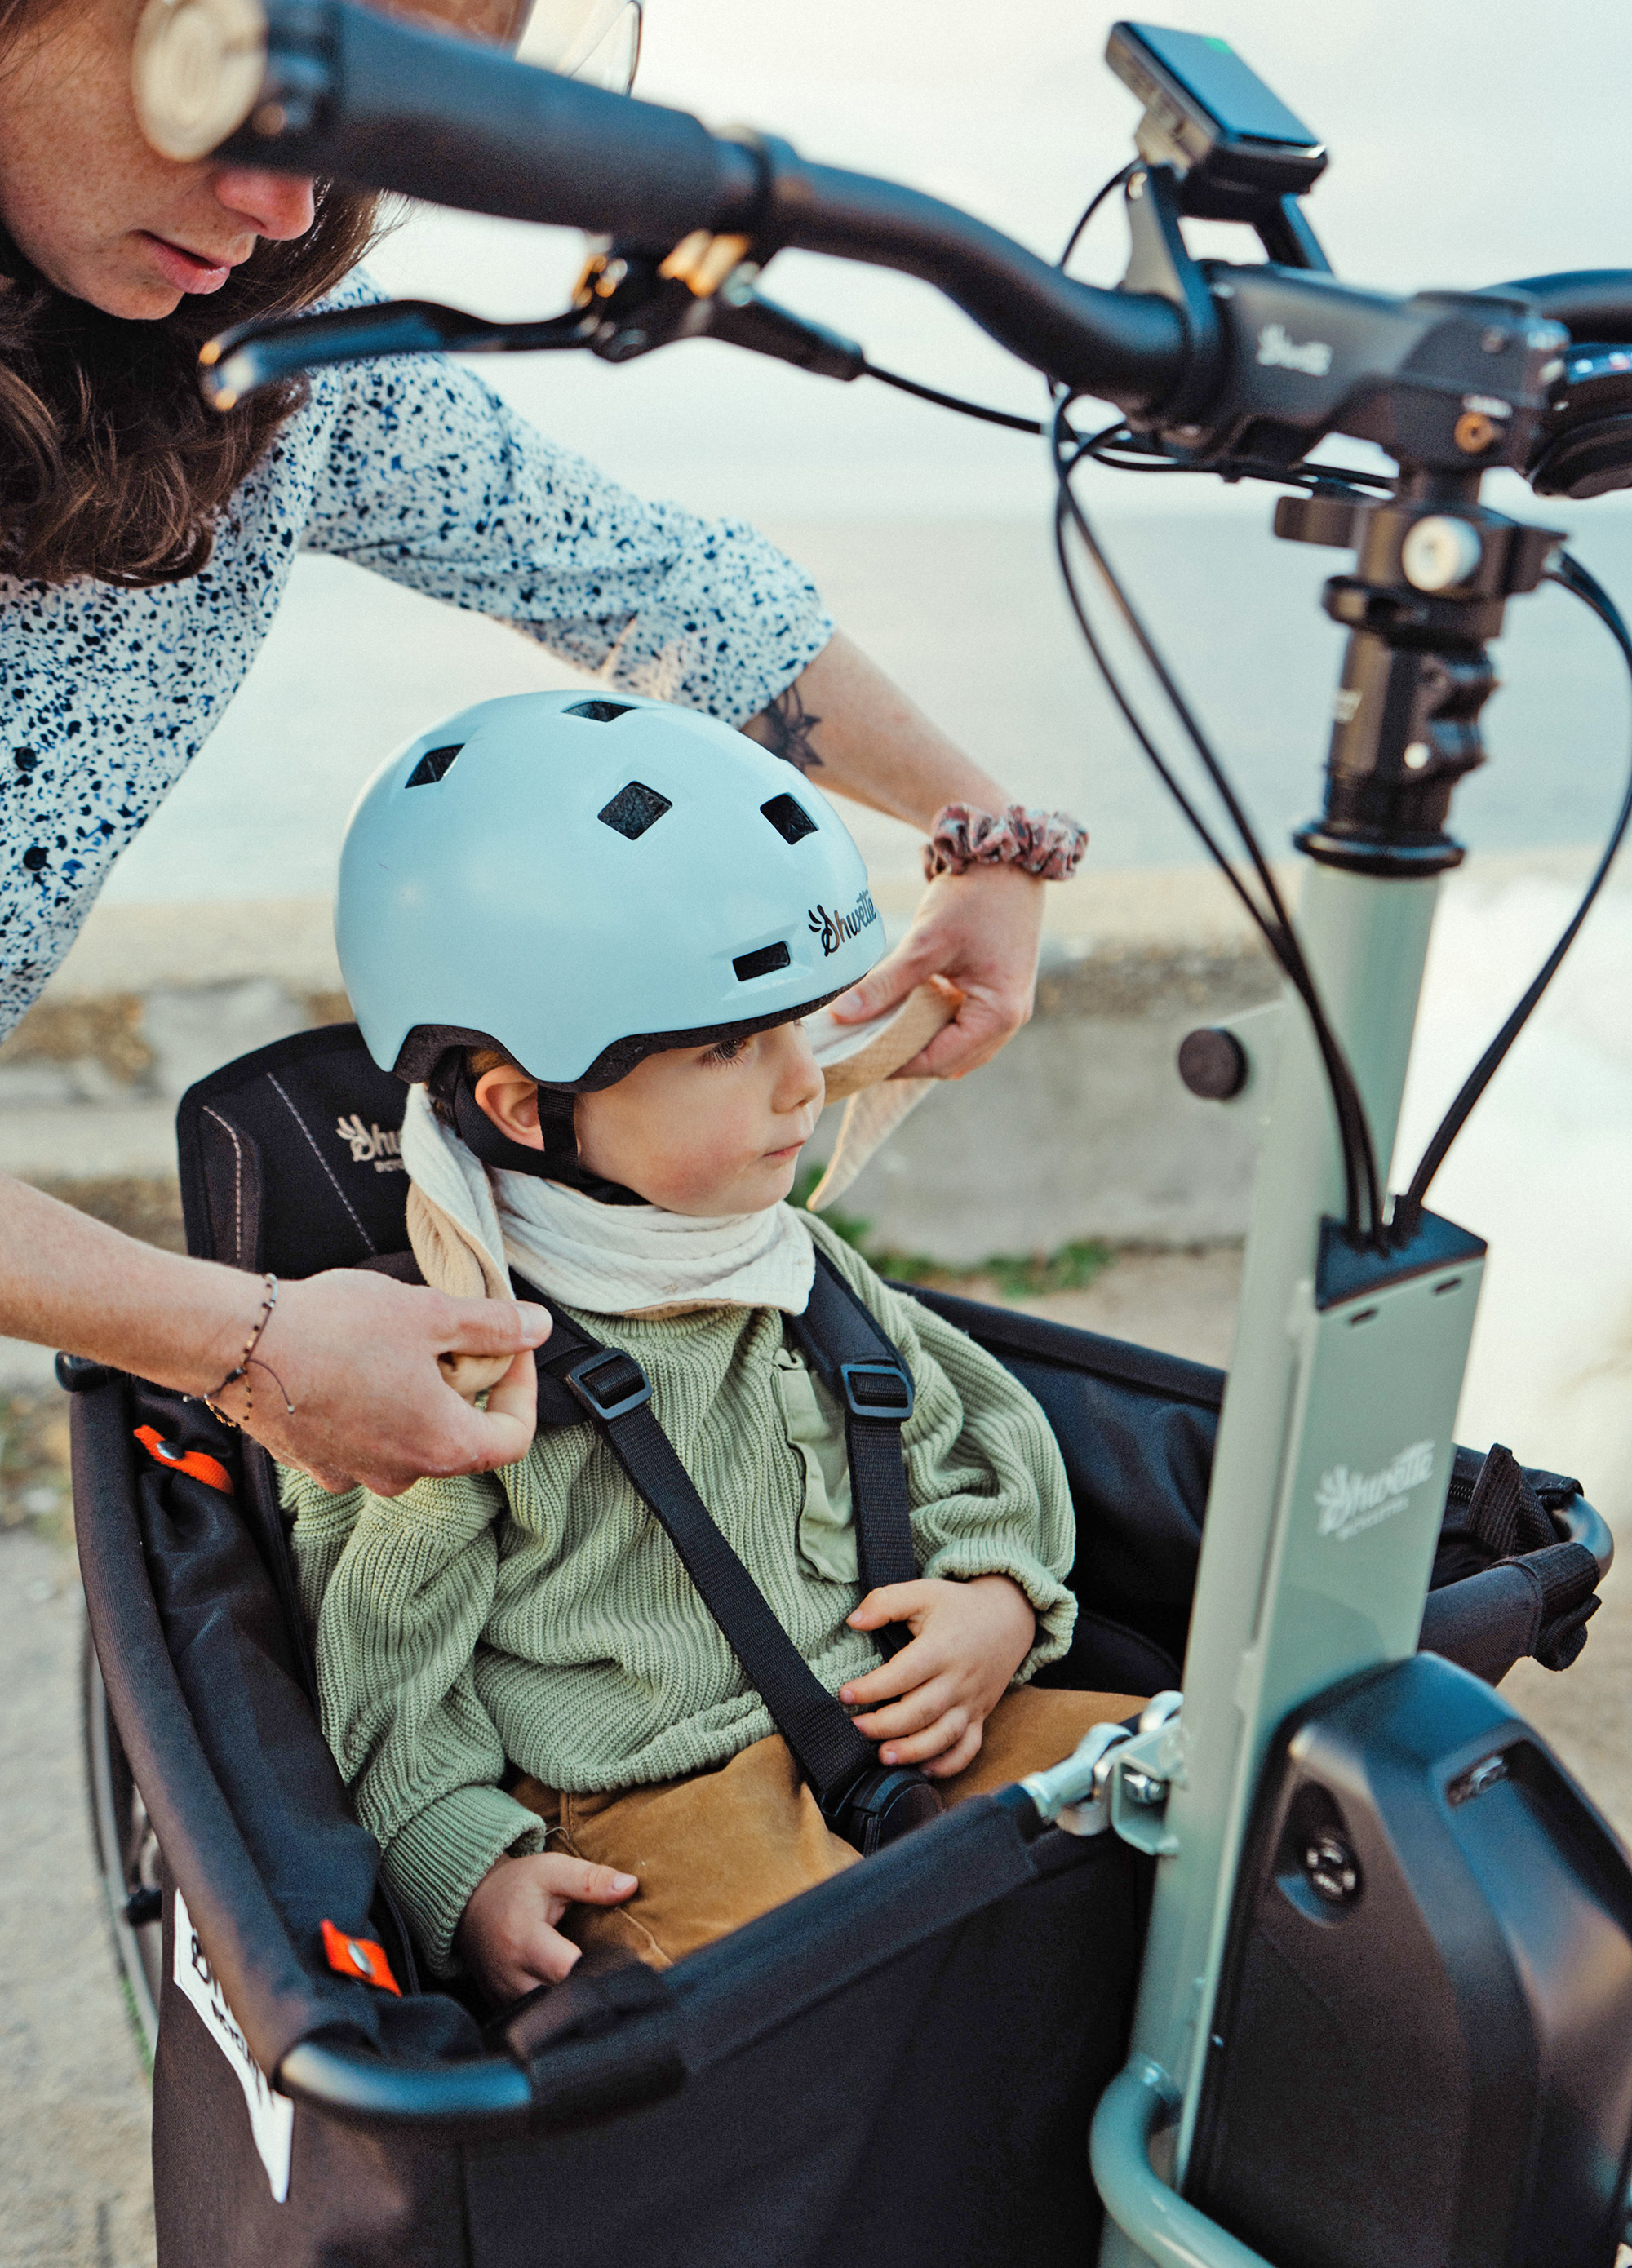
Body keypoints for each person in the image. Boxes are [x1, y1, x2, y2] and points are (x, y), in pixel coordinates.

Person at [0, 0, 1084, 1497]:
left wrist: (988, 835)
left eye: (358, 124)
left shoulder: (276, 371)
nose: (284, 202)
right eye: (230, 80)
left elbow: (646, 585)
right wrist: (245, 1343)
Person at [277, 692, 1129, 1996]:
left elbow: (979, 1430)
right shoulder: (458, 1361)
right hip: (641, 1795)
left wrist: (1000, 1598)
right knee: (825, 1999)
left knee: (1197, 1788)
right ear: (525, 1105)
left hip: (903, 1707)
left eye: (800, 1026)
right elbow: (387, 1650)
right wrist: (460, 1852)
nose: (801, 1081)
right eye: (731, 1047)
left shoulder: (791, 1264)